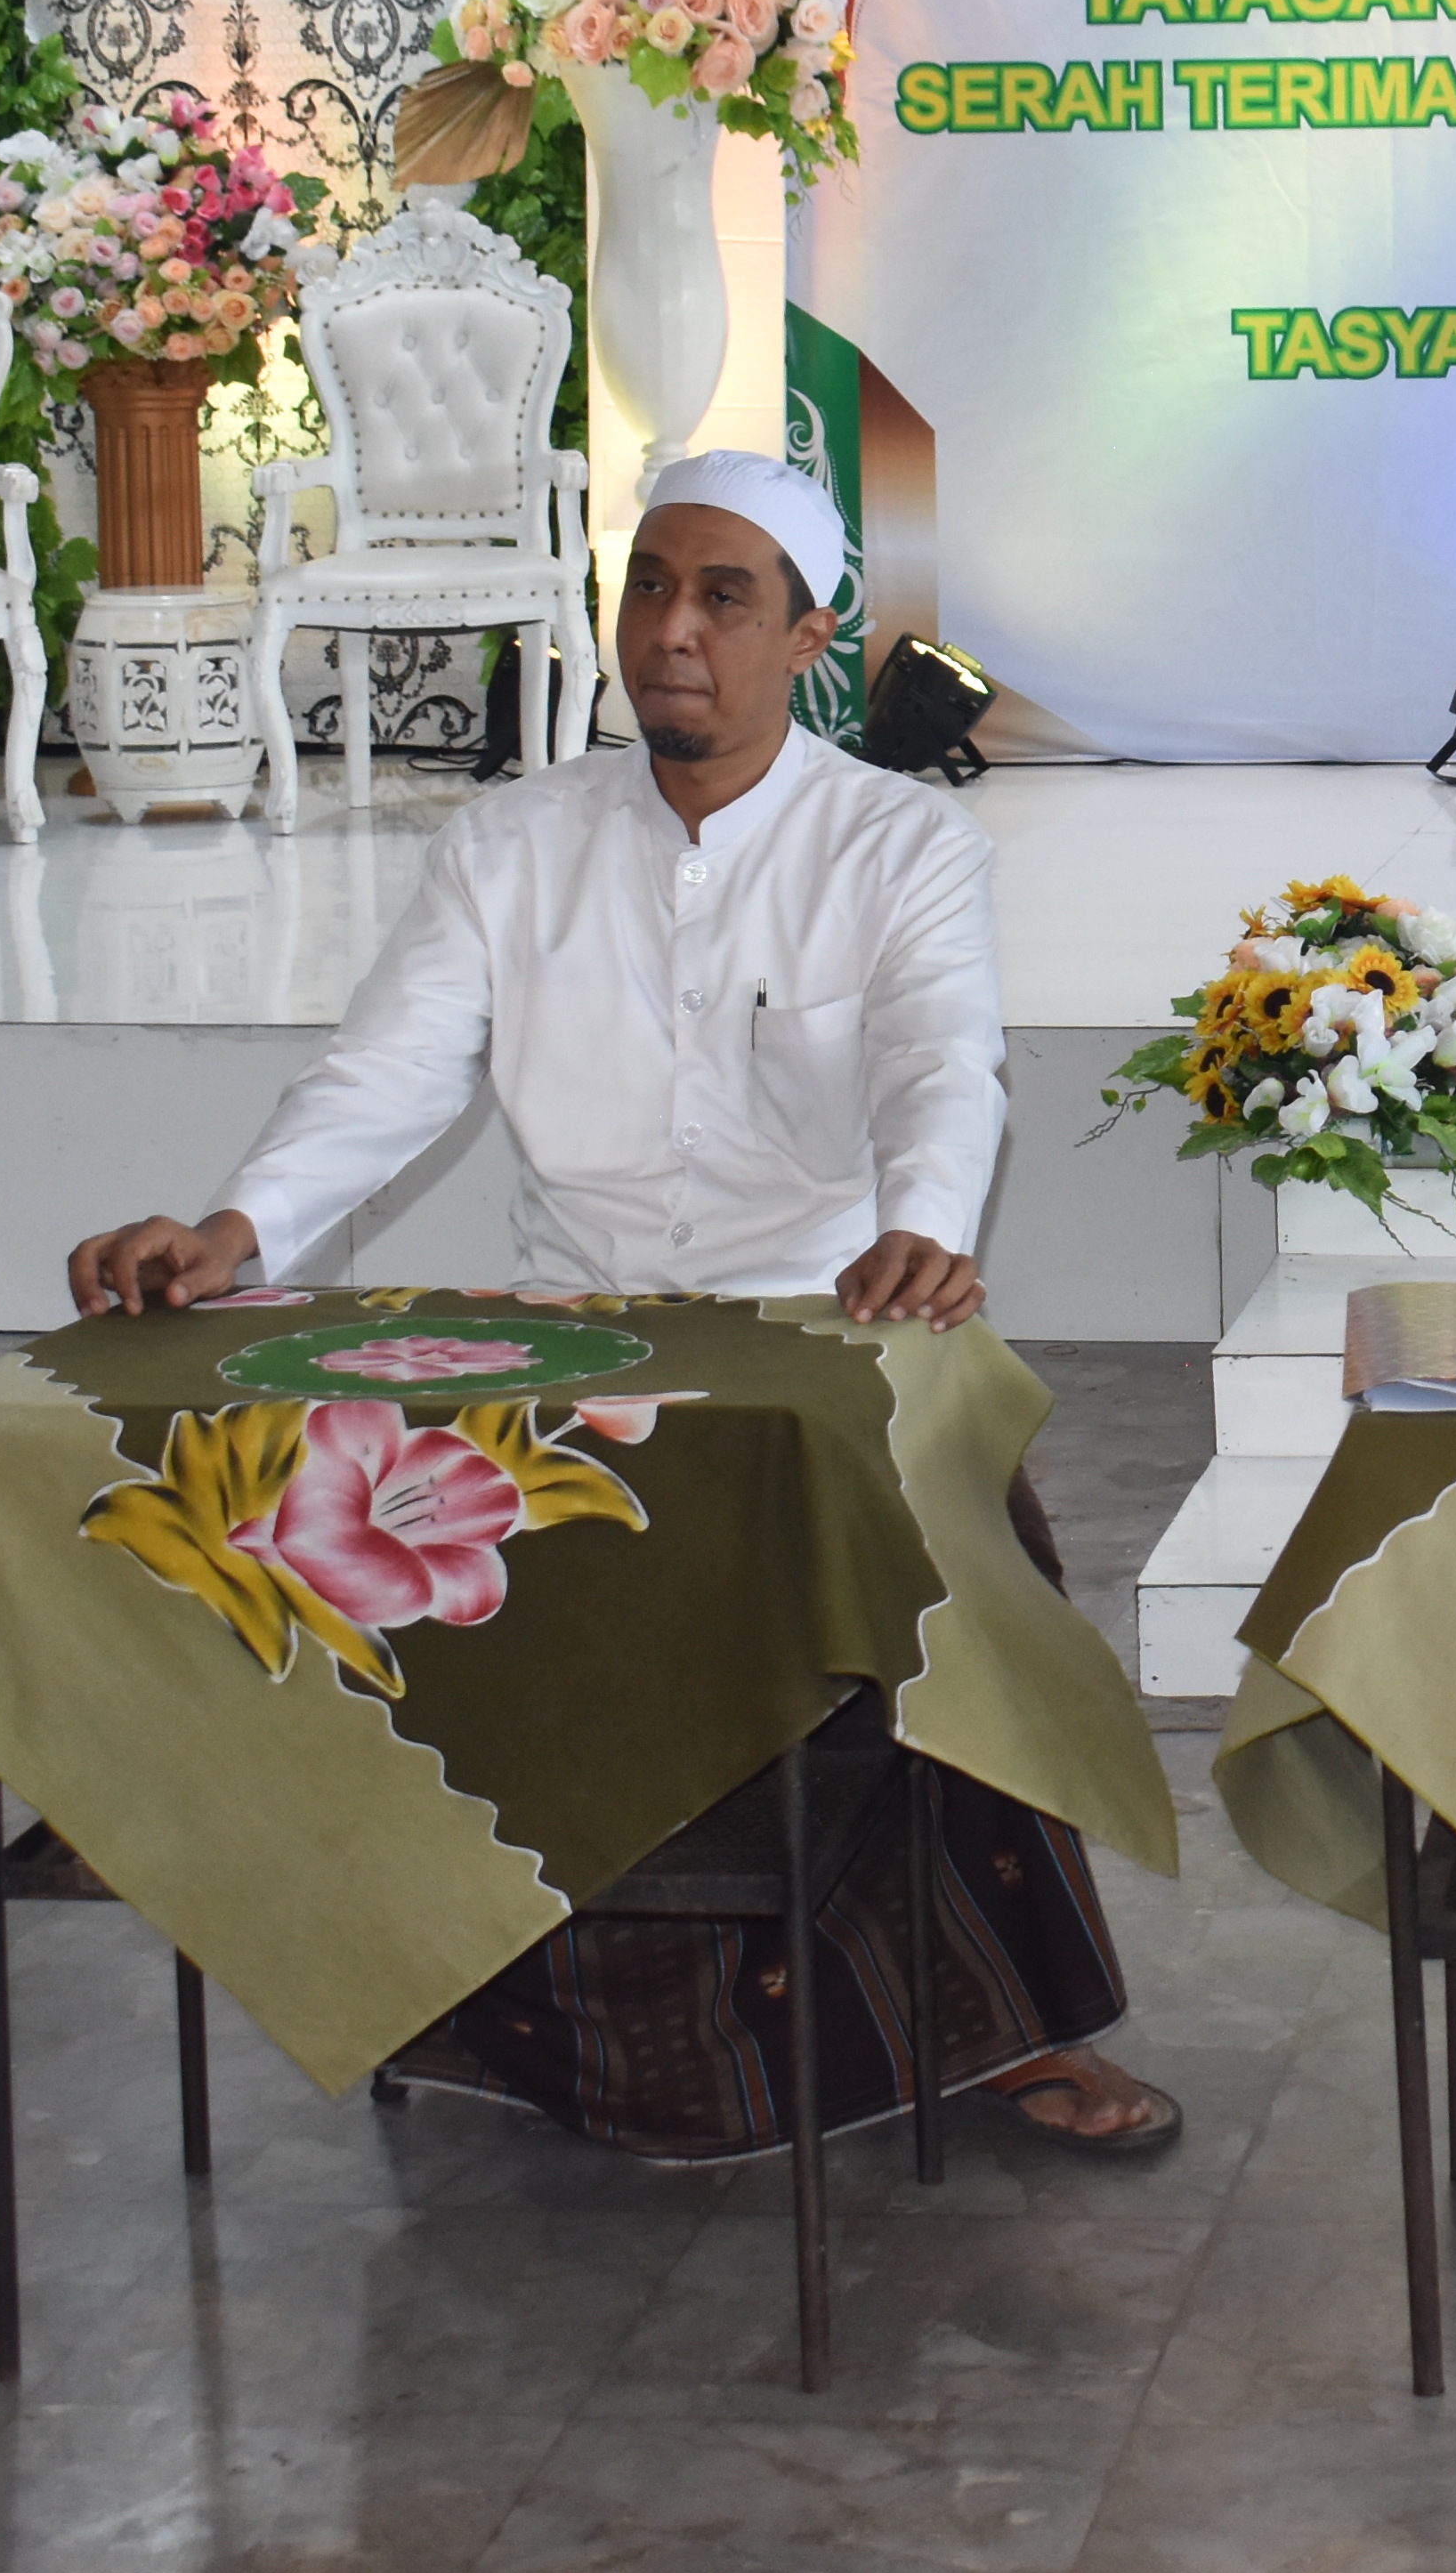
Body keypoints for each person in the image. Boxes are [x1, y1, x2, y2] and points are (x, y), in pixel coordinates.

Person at [64, 449, 1180, 2166]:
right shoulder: (511, 841)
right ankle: (501, 2030)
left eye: (723, 597)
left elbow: (940, 1063)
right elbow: (386, 1075)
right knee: (400, 1548)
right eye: (649, 586)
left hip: (821, 1329)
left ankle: (998, 2030)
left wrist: (922, 1230)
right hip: (566, 1338)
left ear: (808, 636)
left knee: (958, 1596)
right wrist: (238, 1226)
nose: (672, 630)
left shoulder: (901, 844)